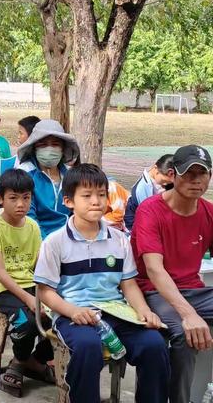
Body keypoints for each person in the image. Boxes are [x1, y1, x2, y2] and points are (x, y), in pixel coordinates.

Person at [35, 163, 169, 403]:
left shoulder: (119, 240)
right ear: (68, 201)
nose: (96, 201)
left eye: (101, 194)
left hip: (115, 311)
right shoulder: (55, 242)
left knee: (154, 344)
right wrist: (73, 311)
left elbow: (128, 284)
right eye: (86, 196)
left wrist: (145, 312)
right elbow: (45, 291)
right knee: (87, 347)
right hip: (73, 314)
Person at [130, 145, 213, 403]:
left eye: (203, 173)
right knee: (185, 336)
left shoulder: (209, 211)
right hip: (156, 291)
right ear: (173, 174)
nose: (196, 180)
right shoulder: (150, 210)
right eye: (189, 173)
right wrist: (189, 314)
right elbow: (154, 270)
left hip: (195, 288)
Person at [0, 169, 54, 397]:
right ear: (0, 198)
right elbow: (0, 273)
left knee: (60, 317)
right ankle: (21, 363)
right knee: (27, 323)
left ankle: (31, 361)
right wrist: (29, 299)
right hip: (3, 289)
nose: (20, 204)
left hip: (30, 284)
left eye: (26, 198)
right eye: (13, 198)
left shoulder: (32, 226)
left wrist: (44, 292)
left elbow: (38, 266)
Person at [17, 119, 79, 239]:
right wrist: (47, 244)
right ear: (34, 148)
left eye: (55, 144)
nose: (49, 149)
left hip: (69, 237)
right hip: (35, 238)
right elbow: (28, 216)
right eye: (43, 145)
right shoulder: (25, 173)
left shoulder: (70, 175)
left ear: (63, 148)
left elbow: (78, 211)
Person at [124, 154, 175, 231]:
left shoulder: (166, 180)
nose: (165, 185)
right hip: (136, 225)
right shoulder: (142, 189)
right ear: (155, 169)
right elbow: (148, 217)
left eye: (169, 183)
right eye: (164, 181)